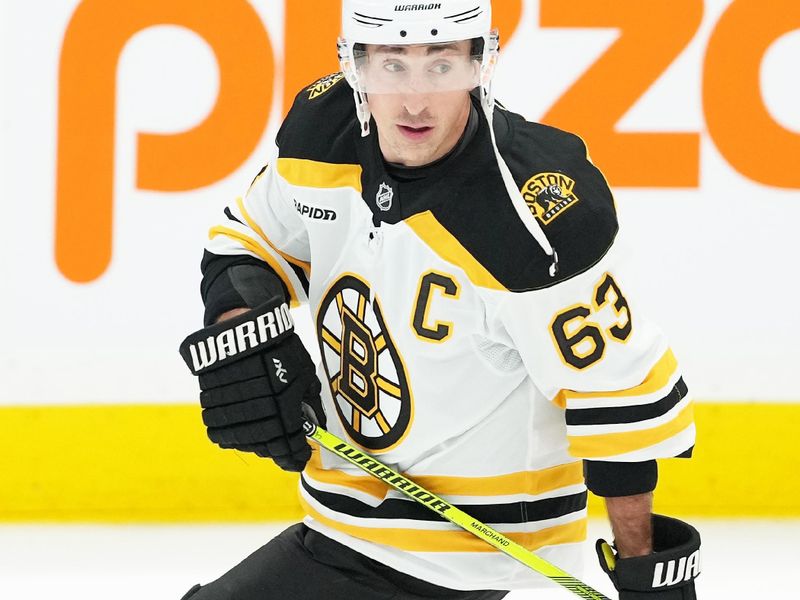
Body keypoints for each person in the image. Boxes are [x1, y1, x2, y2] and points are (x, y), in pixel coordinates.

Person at [178, 1, 701, 598]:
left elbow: (616, 392)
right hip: (344, 524)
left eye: (442, 64)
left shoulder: (532, 216)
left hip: (466, 552)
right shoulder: (322, 138)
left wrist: (644, 571)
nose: (417, 101)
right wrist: (246, 334)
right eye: (392, 66)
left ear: (482, 63)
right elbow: (249, 242)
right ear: (353, 65)